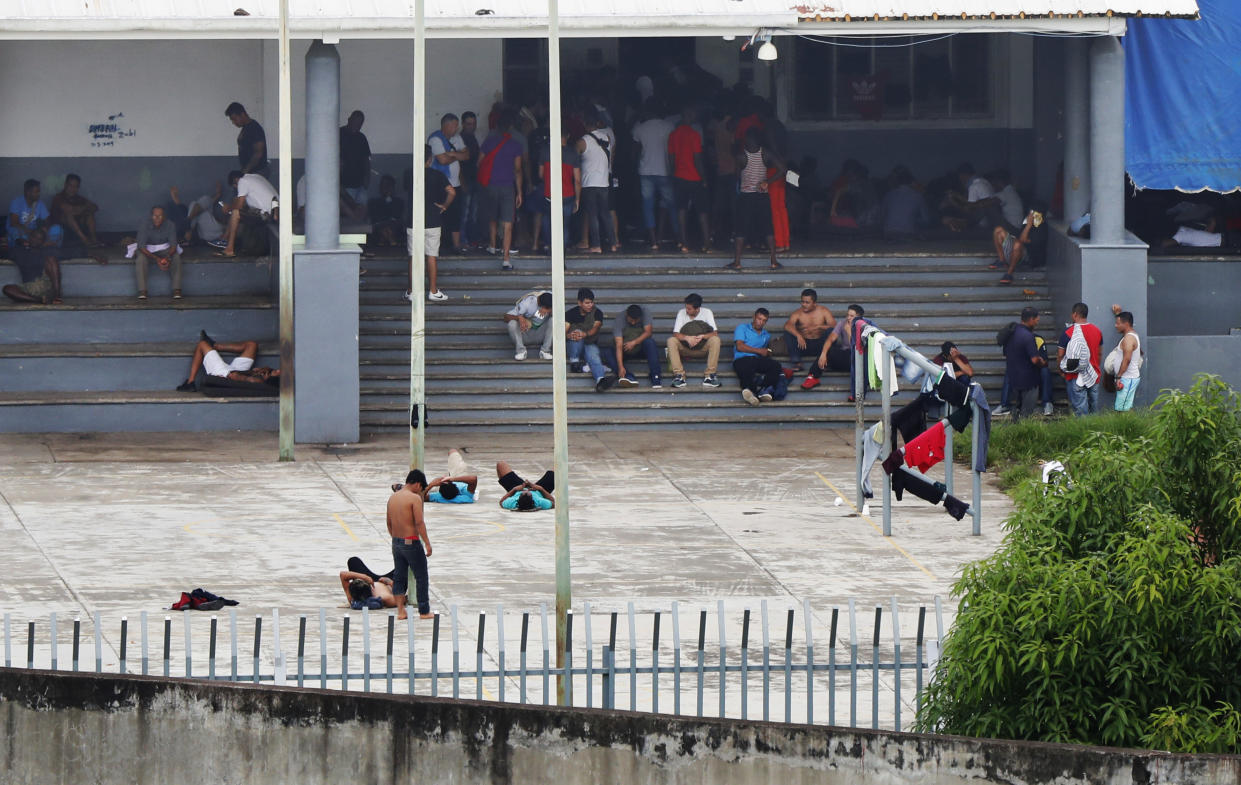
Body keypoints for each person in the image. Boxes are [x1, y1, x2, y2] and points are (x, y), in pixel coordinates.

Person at [726, 128, 783, 270]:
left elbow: (737, 176)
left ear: (747, 140)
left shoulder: (741, 156)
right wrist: (767, 182)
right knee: (768, 228)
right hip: (762, 196)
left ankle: (737, 262)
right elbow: (782, 169)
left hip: (746, 196)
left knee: (741, 229)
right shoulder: (766, 153)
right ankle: (773, 261)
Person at [405, 144, 454, 303]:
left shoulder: (409, 174)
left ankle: (412, 291)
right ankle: (433, 291)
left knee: (414, 257)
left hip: (414, 219)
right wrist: (445, 206)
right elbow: (452, 191)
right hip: (433, 219)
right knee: (431, 256)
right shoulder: (437, 175)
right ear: (430, 159)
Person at [479, 111, 524, 270]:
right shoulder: (515, 145)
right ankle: (506, 258)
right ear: (511, 127)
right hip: (507, 187)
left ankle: (492, 245)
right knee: (507, 223)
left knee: (492, 217)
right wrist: (519, 191)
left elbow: (480, 162)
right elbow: (518, 170)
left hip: (490, 185)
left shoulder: (488, 142)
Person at [1, 228, 94, 305]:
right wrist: (18, 241)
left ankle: (57, 296)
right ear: (29, 237)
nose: (35, 240)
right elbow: (3, 253)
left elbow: (71, 252)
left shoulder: (47, 250)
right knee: (7, 289)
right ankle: (38, 300)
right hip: (28, 288)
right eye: (34, 237)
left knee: (51, 259)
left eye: (39, 239)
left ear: (43, 242)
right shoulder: (18, 251)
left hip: (47, 286)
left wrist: (93, 255)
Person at [386, 470, 433, 620]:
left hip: (396, 541)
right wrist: (427, 543)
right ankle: (424, 611)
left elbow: (388, 522)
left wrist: (395, 537)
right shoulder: (414, 498)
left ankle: (401, 611)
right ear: (418, 484)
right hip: (411, 540)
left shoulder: (393, 498)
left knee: (399, 576)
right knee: (421, 575)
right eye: (421, 488)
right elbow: (419, 522)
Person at [632, 101, 676, 251]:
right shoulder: (669, 127)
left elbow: (636, 151)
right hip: (665, 171)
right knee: (671, 205)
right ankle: (678, 238)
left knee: (648, 206)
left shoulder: (640, 128)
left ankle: (653, 241)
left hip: (646, 171)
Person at [175, 331, 279, 391]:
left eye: (276, 372)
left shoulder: (258, 380)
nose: (278, 370)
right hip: (239, 370)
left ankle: (190, 382)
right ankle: (215, 345)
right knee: (252, 345)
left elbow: (235, 377)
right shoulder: (271, 376)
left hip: (225, 373)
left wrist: (225, 378)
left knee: (202, 344)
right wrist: (258, 371)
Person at [668, 106, 710, 253]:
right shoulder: (694, 135)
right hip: (694, 177)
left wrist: (673, 174)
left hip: (679, 177)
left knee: (681, 210)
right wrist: (704, 178)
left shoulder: (673, 135)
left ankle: (684, 242)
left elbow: (671, 158)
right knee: (702, 211)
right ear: (690, 116)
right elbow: (697, 158)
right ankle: (706, 243)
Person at [577, 109, 618, 254]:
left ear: (585, 124)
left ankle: (596, 245)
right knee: (605, 214)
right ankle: (613, 243)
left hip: (589, 183)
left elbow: (575, 161)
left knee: (592, 214)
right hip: (604, 182)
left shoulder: (583, 141)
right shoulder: (606, 137)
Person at [533, 128, 580, 252]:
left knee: (547, 221)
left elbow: (540, 174)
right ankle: (561, 251)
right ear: (568, 136)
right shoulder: (573, 153)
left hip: (550, 193)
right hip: (568, 194)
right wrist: (578, 199)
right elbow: (577, 180)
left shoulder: (545, 151)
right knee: (564, 225)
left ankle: (549, 246)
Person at [214, 170, 278, 259]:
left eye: (235, 187)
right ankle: (224, 238)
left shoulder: (242, 181)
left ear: (236, 181)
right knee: (236, 211)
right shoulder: (256, 177)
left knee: (236, 212)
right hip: (275, 212)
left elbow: (239, 205)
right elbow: (245, 203)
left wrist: (227, 208)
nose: (237, 189)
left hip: (267, 215)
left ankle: (229, 249)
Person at [429, 113, 470, 252]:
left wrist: (451, 154)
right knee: (440, 213)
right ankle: (438, 245)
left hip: (456, 184)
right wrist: (457, 155)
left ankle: (456, 245)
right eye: (454, 125)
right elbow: (442, 160)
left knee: (455, 215)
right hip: (440, 185)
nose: (456, 128)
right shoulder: (435, 139)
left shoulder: (457, 138)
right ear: (445, 125)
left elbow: (467, 155)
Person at [1056, 302, 1103, 417]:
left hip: (1075, 376)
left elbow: (1060, 355)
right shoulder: (1097, 331)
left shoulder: (1068, 332)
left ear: (1075, 314)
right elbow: (1099, 353)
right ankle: (1096, 432)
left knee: (1080, 411)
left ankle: (1083, 433)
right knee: (1094, 409)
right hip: (1094, 374)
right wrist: (1096, 366)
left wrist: (1061, 370)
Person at [566, 287, 617, 392]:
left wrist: (584, 334)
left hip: (589, 343)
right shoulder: (570, 313)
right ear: (579, 303)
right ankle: (574, 363)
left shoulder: (597, 313)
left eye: (591, 303)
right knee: (576, 336)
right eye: (587, 303)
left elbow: (595, 328)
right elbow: (563, 331)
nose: (590, 305)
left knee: (594, 355)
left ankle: (600, 381)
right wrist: (569, 336)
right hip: (573, 346)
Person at [802, 304, 863, 390]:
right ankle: (812, 377)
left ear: (859, 318)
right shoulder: (842, 323)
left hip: (856, 360)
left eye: (852, 316)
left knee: (856, 356)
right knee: (827, 349)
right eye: (848, 315)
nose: (848, 318)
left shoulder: (865, 327)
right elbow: (830, 338)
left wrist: (849, 332)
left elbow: (856, 348)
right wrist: (823, 354)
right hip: (844, 358)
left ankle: (857, 390)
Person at [667, 292, 721, 388]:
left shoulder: (707, 312)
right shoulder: (681, 313)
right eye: (686, 307)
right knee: (671, 340)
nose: (686, 310)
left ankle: (710, 376)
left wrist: (702, 336)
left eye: (689, 309)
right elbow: (676, 334)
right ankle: (679, 376)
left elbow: (714, 333)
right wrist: (686, 338)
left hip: (702, 349)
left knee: (715, 340)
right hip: (685, 349)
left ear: (697, 309)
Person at [1003, 306, 1048, 421]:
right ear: (1031, 319)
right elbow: (1034, 359)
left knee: (1017, 410)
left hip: (1014, 378)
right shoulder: (1028, 336)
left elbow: (1006, 353)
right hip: (1029, 381)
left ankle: (1015, 433)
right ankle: (1024, 434)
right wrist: (1042, 362)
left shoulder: (1011, 333)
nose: (1037, 323)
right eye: (1037, 320)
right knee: (1027, 414)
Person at [733, 307, 786, 405]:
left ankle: (764, 390)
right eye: (759, 319)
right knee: (747, 366)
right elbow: (739, 346)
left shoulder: (766, 335)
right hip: (742, 359)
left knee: (776, 365)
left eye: (764, 320)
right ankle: (749, 391)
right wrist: (759, 351)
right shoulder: (742, 328)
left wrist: (768, 352)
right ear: (754, 317)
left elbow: (765, 352)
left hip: (756, 360)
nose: (760, 322)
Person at [131, 205, 183, 300]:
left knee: (176, 257)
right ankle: (142, 291)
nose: (157, 218)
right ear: (151, 216)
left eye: (160, 216)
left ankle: (177, 289)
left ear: (164, 216)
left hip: (164, 248)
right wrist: (157, 259)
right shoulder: (144, 225)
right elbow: (141, 246)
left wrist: (167, 258)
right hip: (147, 249)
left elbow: (173, 245)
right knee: (140, 259)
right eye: (155, 216)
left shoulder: (170, 224)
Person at [606, 303, 662, 389]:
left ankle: (656, 377)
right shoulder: (619, 320)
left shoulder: (645, 313)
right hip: (625, 350)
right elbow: (619, 345)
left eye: (636, 320)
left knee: (650, 342)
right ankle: (628, 377)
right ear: (627, 315)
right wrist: (620, 367)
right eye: (631, 320)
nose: (633, 322)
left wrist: (634, 342)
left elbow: (648, 332)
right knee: (608, 353)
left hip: (640, 349)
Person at [783, 289, 836, 374]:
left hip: (821, 346)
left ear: (814, 303)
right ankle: (797, 363)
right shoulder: (798, 313)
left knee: (831, 332)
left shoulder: (823, 311)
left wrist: (819, 327)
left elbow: (834, 326)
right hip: (804, 345)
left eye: (807, 302)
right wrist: (798, 335)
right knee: (788, 332)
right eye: (802, 302)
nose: (804, 305)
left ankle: (825, 362)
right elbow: (787, 326)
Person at [8, 179, 63, 248]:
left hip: (34, 235)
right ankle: (27, 246)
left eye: (39, 191)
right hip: (22, 233)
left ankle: (41, 245)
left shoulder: (40, 204)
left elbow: (48, 220)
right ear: (28, 192)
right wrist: (31, 232)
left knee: (57, 228)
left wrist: (44, 229)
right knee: (15, 231)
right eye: (36, 192)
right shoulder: (16, 202)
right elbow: (14, 223)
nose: (38, 194)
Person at [338, 110, 371, 221]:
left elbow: (366, 159)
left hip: (360, 184)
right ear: (349, 120)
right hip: (345, 186)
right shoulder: (338, 134)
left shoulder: (361, 138)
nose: (357, 125)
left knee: (362, 212)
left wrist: (367, 178)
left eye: (360, 123)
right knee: (349, 214)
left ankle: (360, 236)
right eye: (355, 122)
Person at [880, 166, 928, 242]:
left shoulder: (888, 195)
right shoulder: (918, 196)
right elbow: (926, 220)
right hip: (908, 233)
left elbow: (882, 217)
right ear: (911, 181)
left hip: (889, 233)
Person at [1109, 305, 1142, 412]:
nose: (1115, 326)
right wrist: (1118, 314)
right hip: (1127, 378)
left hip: (1127, 378)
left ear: (1126, 324)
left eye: (1118, 323)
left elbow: (1126, 360)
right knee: (1125, 406)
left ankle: (1125, 427)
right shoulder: (1130, 335)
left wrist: (1118, 377)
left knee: (1122, 409)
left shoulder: (1129, 338)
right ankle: (1128, 427)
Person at [50, 174, 100, 247]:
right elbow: (67, 209)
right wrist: (82, 208)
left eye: (76, 187)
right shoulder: (58, 197)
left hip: (77, 230)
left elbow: (95, 207)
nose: (73, 189)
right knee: (68, 215)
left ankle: (94, 239)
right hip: (62, 231)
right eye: (70, 186)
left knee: (89, 214)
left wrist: (80, 209)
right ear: (65, 185)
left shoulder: (78, 198)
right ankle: (85, 240)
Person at [505, 290, 554, 361]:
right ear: (541, 306)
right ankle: (521, 351)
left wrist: (551, 312)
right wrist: (519, 318)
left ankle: (545, 351)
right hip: (525, 334)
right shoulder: (527, 303)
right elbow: (506, 317)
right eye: (547, 308)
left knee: (554, 320)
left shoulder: (553, 297)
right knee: (512, 323)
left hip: (541, 334)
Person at [457, 111, 481, 251]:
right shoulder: (460, 139)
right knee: (465, 213)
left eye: (474, 124)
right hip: (465, 181)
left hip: (475, 180)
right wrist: (463, 182)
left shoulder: (473, 138)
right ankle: (463, 240)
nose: (471, 126)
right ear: (463, 124)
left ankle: (471, 239)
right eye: (468, 124)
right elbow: (457, 163)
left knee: (473, 213)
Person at [225, 101, 268, 176]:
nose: (233, 122)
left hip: (257, 172)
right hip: (250, 172)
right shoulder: (246, 128)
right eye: (232, 120)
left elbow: (258, 153)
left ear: (242, 114)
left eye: (234, 119)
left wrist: (245, 171)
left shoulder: (255, 128)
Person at [367, 175, 405, 247]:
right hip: (379, 225)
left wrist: (389, 199)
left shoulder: (399, 201)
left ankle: (384, 240)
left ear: (393, 187)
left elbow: (396, 215)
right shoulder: (373, 201)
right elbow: (375, 216)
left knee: (391, 227)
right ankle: (391, 240)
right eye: (383, 185)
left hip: (393, 225)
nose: (386, 188)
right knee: (383, 228)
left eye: (388, 185)